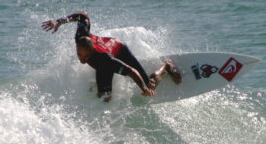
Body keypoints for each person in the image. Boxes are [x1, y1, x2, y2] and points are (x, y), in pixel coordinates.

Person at [42, 11, 181, 101]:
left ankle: (166, 66)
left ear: (91, 53)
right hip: (104, 53)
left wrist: (144, 89)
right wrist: (59, 21)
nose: (81, 60)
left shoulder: (104, 60)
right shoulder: (80, 36)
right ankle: (99, 87)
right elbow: (83, 15)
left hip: (118, 48)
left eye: (84, 58)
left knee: (150, 85)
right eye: (79, 55)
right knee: (103, 96)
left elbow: (132, 72)